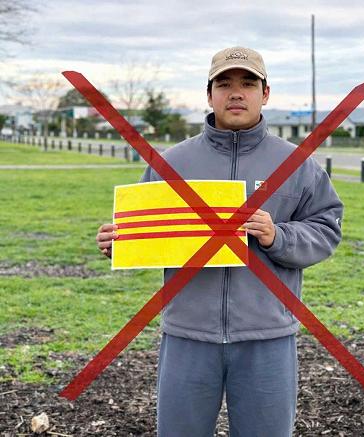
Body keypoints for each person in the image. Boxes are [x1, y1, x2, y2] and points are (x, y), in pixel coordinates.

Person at [96, 46, 344, 436]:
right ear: (209, 94)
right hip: (188, 334)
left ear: (265, 93)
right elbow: (147, 231)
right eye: (224, 84)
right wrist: (120, 240)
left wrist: (278, 236)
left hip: (267, 335)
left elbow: (327, 227)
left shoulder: (297, 165)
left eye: (248, 83)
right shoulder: (170, 163)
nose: (236, 93)